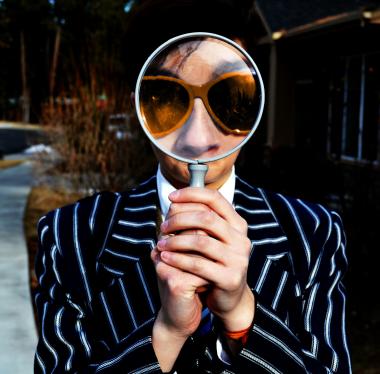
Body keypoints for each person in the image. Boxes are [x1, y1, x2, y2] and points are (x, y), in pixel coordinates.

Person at [33, 0, 351, 373]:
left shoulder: (313, 234)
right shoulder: (71, 236)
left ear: (256, 100)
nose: (198, 138)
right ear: (139, 108)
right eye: (168, 98)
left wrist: (242, 315)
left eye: (228, 96)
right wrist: (166, 332)